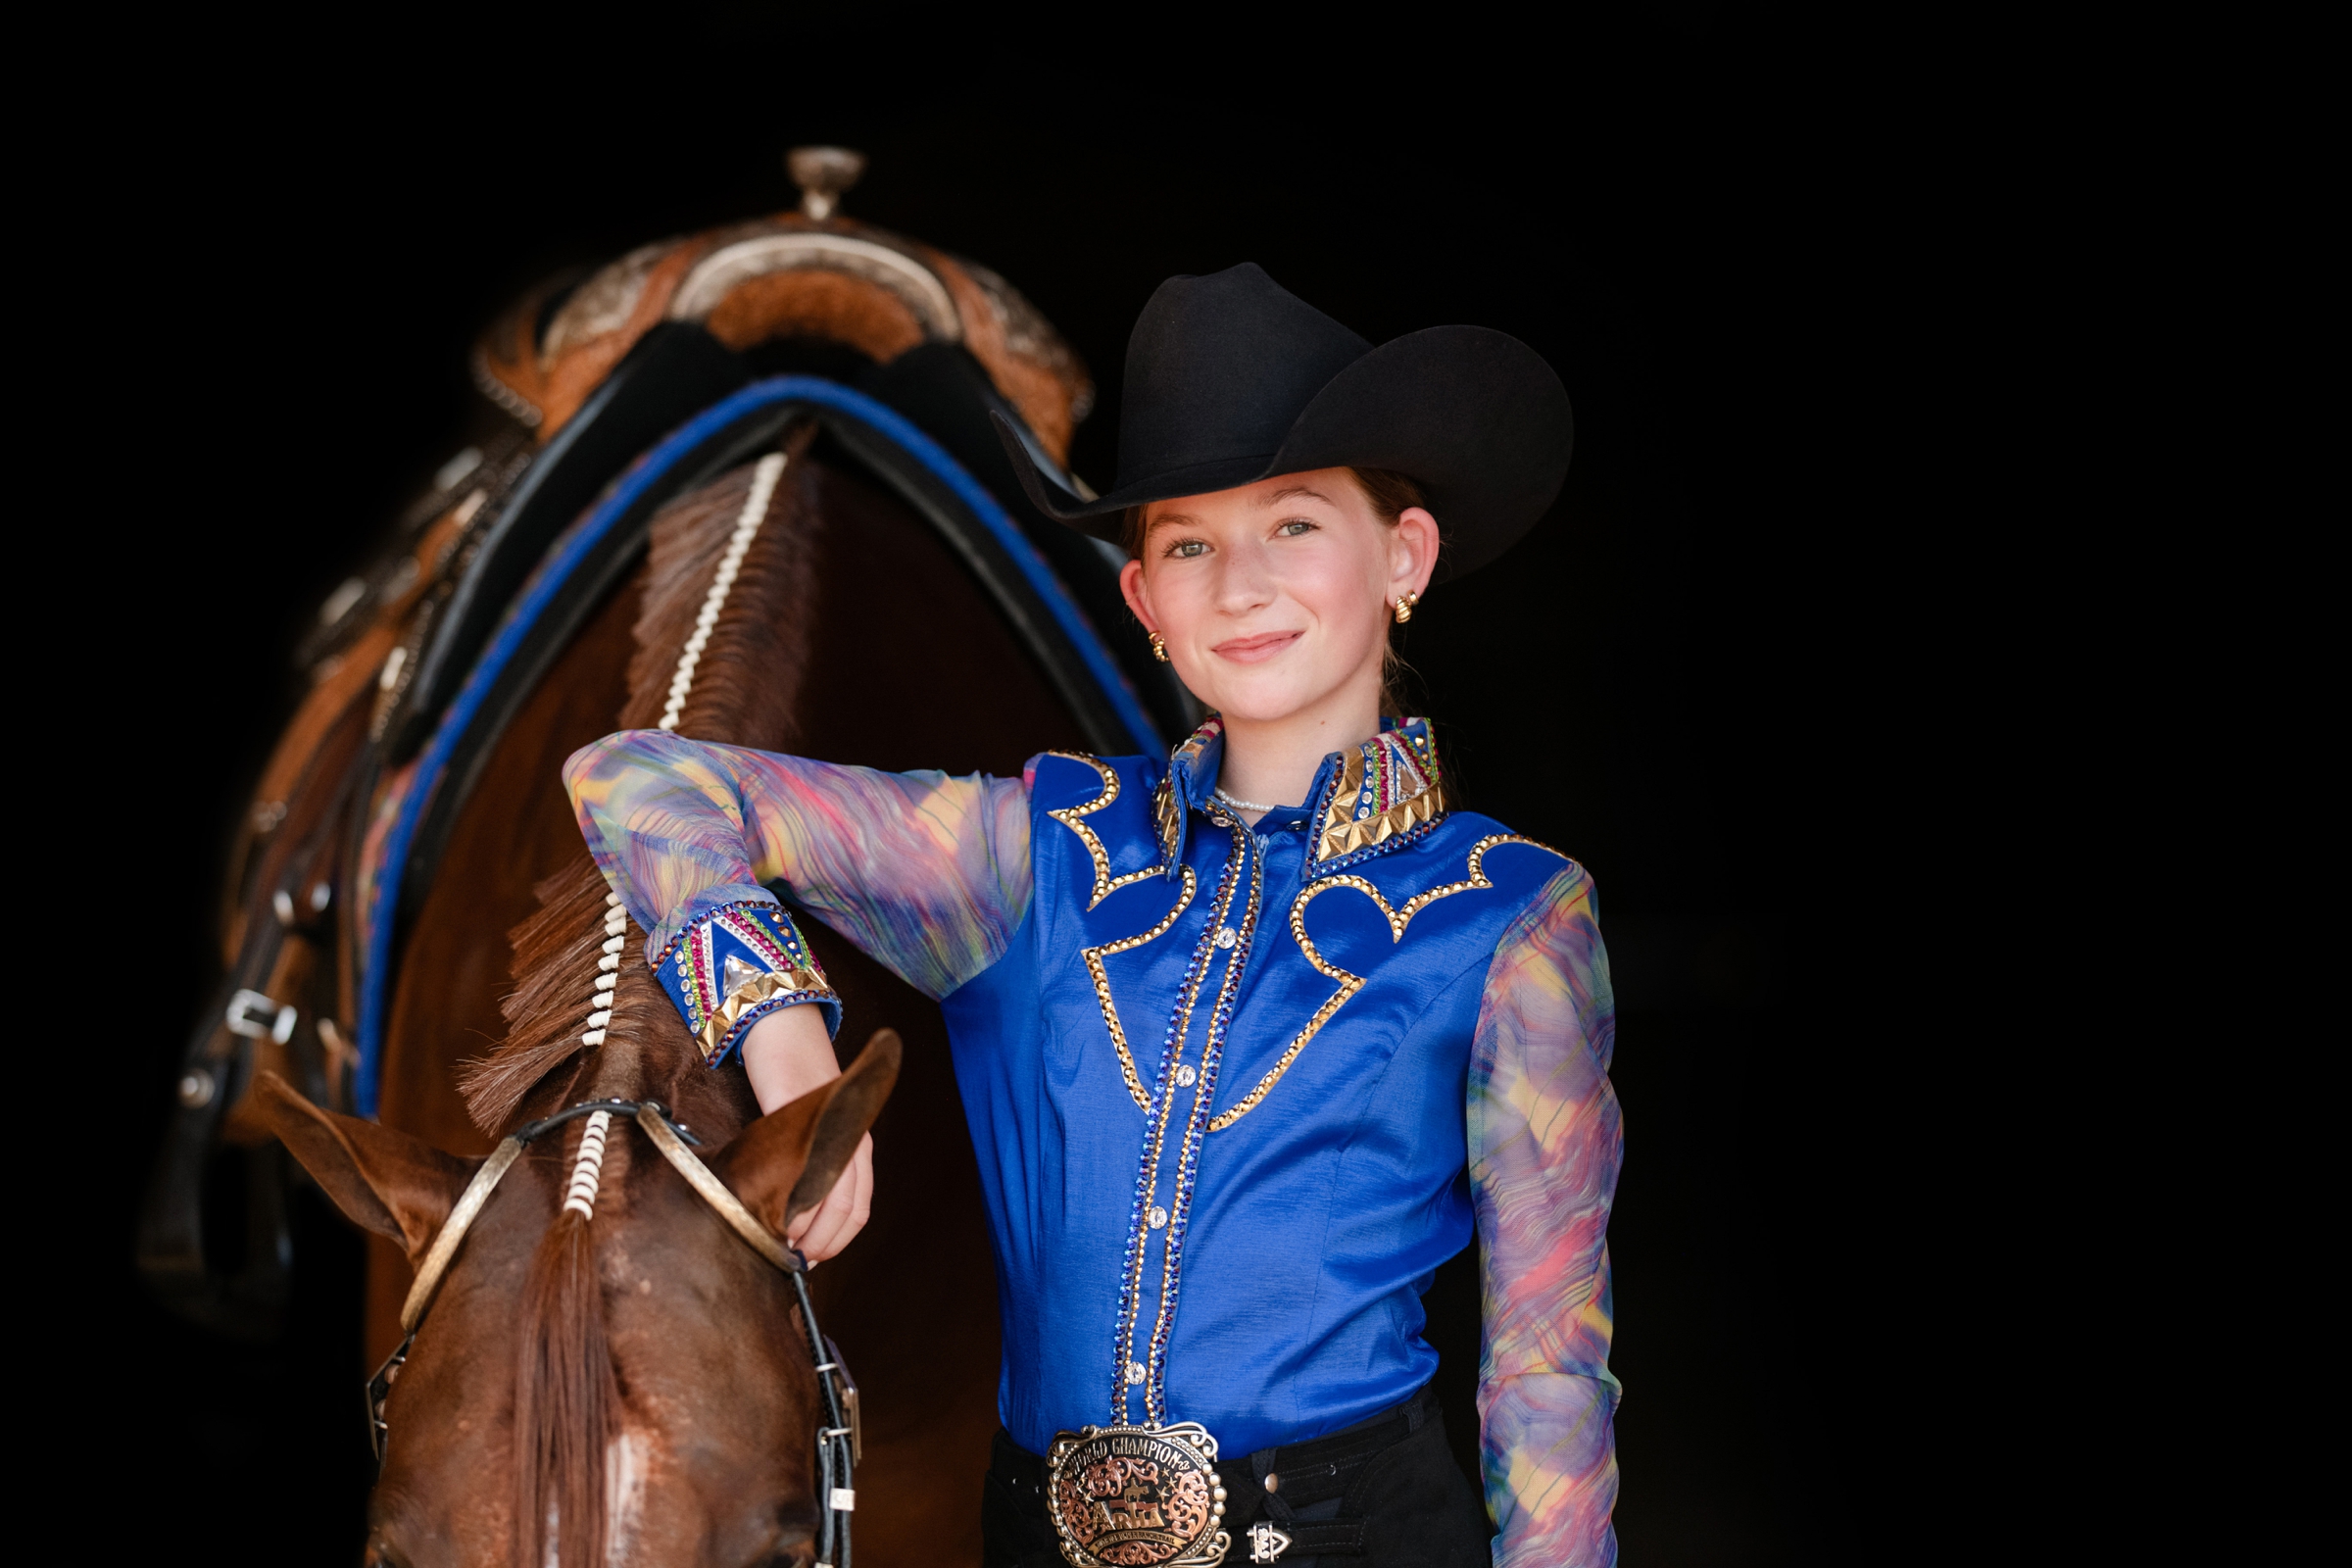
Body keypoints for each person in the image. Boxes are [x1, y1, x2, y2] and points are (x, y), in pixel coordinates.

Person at [565, 264, 1622, 1567]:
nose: (1239, 585)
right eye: (1188, 545)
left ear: (1404, 555)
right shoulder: (1033, 852)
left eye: (1295, 524)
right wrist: (786, 1049)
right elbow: (634, 779)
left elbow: (1548, 1368)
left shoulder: (1513, 916)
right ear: (1144, 603)